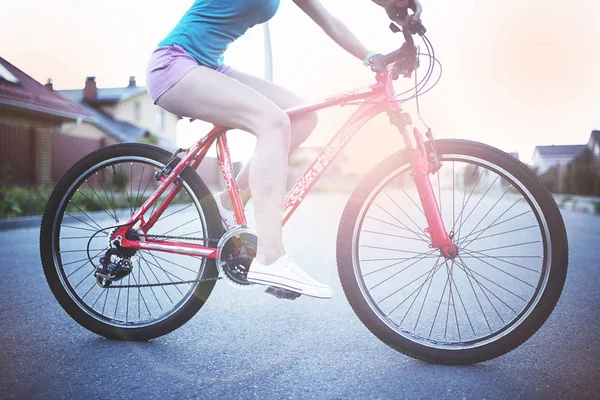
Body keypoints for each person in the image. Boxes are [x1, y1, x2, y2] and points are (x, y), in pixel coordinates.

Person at [146, 0, 423, 299]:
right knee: (274, 123)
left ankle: (229, 202)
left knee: (301, 116)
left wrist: (373, 54)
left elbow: (329, 21)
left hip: (209, 66)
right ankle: (270, 256)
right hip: (175, 65)